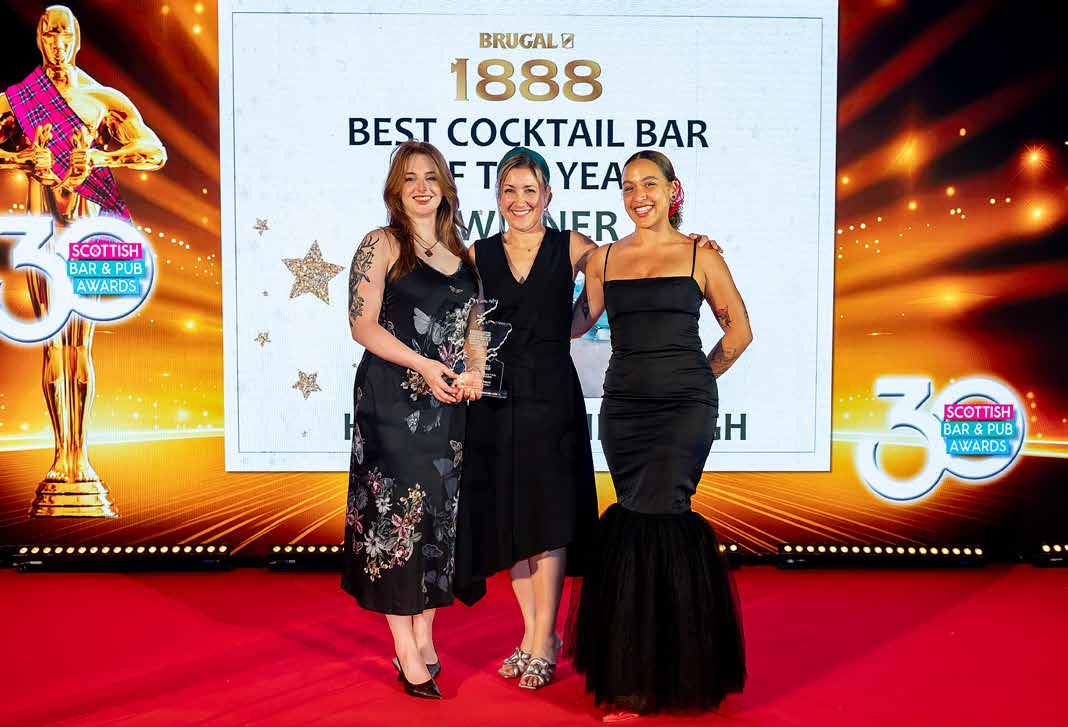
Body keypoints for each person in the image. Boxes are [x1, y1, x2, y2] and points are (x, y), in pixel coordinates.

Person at [454, 147, 723, 691]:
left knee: (549, 517)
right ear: (497, 197)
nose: (520, 200)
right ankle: (532, 634)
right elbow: (470, 321)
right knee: (511, 521)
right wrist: (474, 368)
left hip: (553, 397)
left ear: (548, 195)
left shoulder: (575, 247)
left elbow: (629, 265)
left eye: (530, 190)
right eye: (509, 190)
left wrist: (688, 241)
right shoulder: (478, 254)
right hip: (497, 401)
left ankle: (542, 640)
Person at [567, 150, 750, 722]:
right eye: (627, 186)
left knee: (664, 512)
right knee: (635, 514)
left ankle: (649, 680)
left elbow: (738, 334)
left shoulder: (700, 255)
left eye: (649, 183)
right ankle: (640, 674)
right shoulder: (605, 260)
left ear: (673, 190)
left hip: (683, 410)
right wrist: (545, 277)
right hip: (624, 411)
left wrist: (697, 379)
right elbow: (573, 324)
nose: (637, 195)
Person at [341, 141, 480, 700]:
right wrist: (423, 365)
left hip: (447, 405)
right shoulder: (381, 243)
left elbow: (474, 329)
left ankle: (424, 633)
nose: (421, 187)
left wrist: (473, 370)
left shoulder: (462, 254)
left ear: (445, 186)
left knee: (438, 519)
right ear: (395, 190)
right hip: (393, 402)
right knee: (396, 520)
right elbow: (362, 325)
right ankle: (403, 644)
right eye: (409, 178)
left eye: (431, 177)